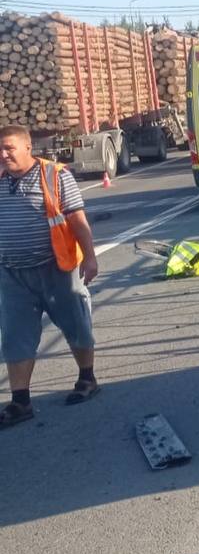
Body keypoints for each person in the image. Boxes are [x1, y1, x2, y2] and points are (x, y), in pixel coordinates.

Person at [0, 124, 100, 427]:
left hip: (58, 267)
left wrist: (91, 257)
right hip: (12, 273)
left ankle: (87, 378)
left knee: (75, 323)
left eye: (9, 148)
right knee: (15, 336)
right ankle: (21, 402)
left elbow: (77, 220)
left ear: (28, 147)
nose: (3, 155)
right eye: (0, 150)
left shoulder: (56, 175)